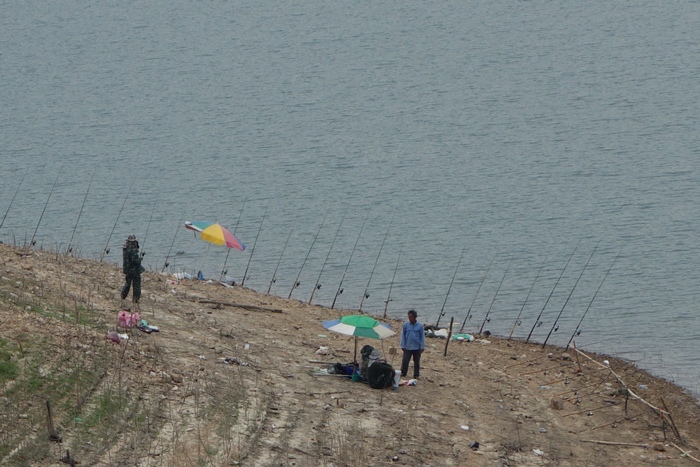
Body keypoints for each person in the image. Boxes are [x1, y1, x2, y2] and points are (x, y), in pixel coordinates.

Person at [121, 235, 144, 310]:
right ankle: (135, 300)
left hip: (127, 270)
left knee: (127, 284)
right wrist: (140, 258)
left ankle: (123, 296)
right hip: (134, 270)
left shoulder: (125, 248)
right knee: (136, 285)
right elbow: (135, 261)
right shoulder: (132, 250)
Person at [400, 309, 425, 379]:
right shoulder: (406, 325)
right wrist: (402, 345)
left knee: (417, 361)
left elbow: (422, 337)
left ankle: (416, 374)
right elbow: (403, 336)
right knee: (405, 360)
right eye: (409, 317)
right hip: (407, 347)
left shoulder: (420, 326)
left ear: (415, 317)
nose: (409, 318)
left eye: (411, 317)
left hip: (417, 347)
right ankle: (403, 372)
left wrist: (422, 347)